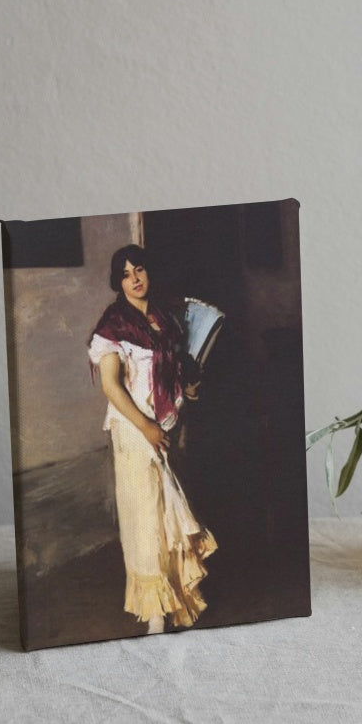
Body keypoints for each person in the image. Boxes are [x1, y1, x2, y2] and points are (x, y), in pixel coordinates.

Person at [88, 244, 217, 635]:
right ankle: (154, 618)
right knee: (143, 518)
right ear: (118, 281)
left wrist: (189, 390)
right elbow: (111, 386)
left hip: (163, 428)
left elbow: (174, 375)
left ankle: (174, 605)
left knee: (166, 517)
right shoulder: (112, 326)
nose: (135, 278)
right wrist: (145, 427)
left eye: (139, 269)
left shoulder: (165, 319)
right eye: (126, 274)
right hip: (133, 430)